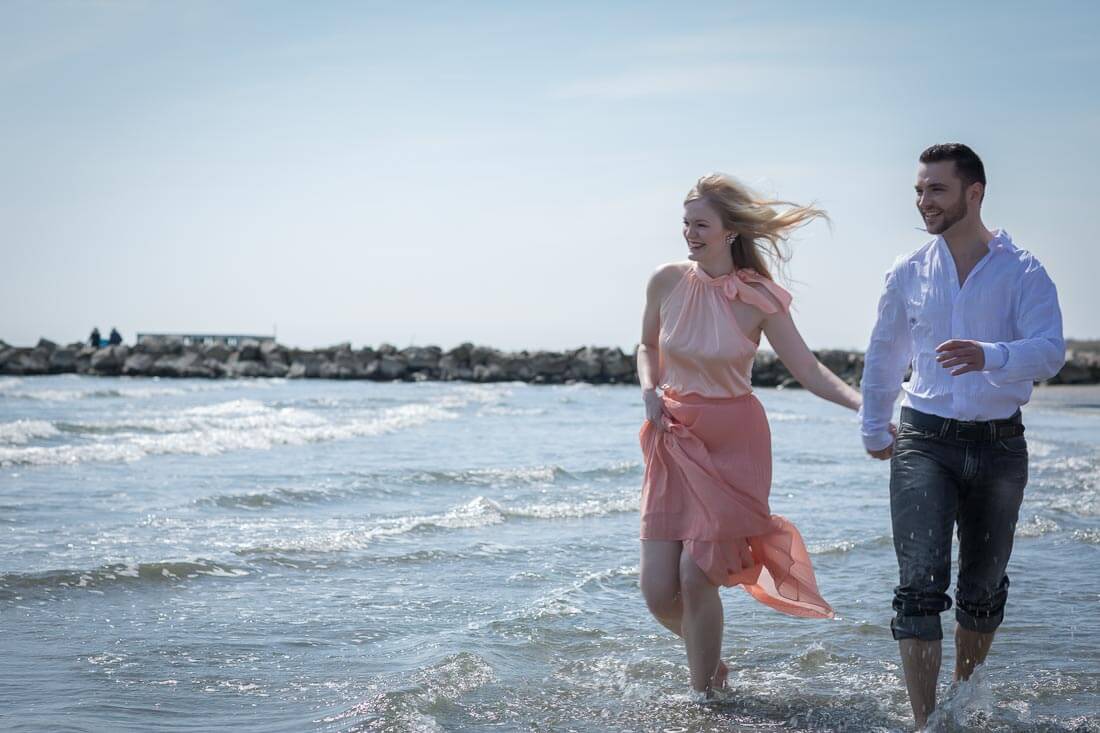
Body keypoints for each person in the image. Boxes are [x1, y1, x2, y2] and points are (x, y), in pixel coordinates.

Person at [860, 143, 1065, 728]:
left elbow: (1050, 352)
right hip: (923, 440)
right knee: (919, 584)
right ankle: (927, 722)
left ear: (973, 193)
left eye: (936, 190)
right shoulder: (907, 271)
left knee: (982, 588)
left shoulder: (1024, 271)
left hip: (1001, 445)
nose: (924, 201)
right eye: (920, 190)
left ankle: (963, 699)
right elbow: (883, 356)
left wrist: (989, 355)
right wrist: (874, 425)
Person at [637, 173, 862, 701]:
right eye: (686, 224)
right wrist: (650, 389)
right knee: (656, 593)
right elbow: (647, 345)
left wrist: (864, 408)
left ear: (730, 230)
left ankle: (704, 699)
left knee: (697, 576)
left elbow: (808, 371)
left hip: (735, 441)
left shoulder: (759, 297)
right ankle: (714, 664)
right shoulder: (665, 280)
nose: (690, 234)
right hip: (673, 438)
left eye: (701, 225)